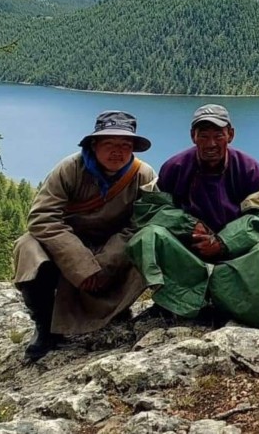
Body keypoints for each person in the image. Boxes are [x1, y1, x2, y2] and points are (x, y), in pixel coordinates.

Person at [13, 110, 156, 361]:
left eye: (125, 145)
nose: (117, 151)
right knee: (28, 247)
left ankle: (118, 311)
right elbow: (42, 218)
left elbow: (140, 223)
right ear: (94, 144)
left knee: (151, 240)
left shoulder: (142, 175)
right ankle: (45, 328)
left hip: (112, 246)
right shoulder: (69, 169)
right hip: (69, 244)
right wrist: (82, 264)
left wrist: (105, 262)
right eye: (109, 143)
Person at [127, 104, 259, 327]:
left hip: (235, 251)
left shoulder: (248, 169)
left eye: (218, 135)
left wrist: (223, 242)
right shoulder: (175, 167)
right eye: (203, 135)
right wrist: (189, 226)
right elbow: (150, 210)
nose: (211, 144)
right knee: (149, 236)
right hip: (189, 249)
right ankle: (172, 302)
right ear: (193, 136)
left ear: (230, 135)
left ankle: (236, 307)